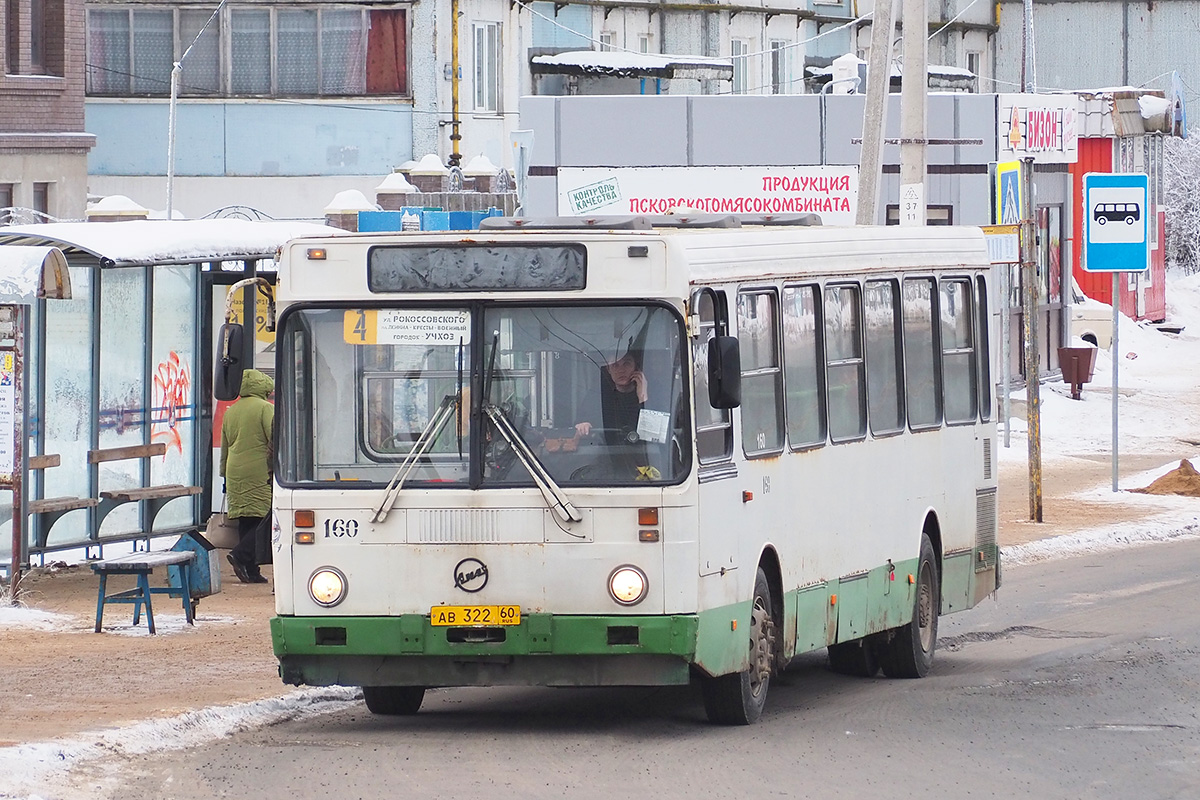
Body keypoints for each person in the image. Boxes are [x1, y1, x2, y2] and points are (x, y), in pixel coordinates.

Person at [220, 369, 274, 584]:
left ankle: (251, 570)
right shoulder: (265, 408)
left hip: (235, 470)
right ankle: (241, 555)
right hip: (258, 469)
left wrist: (223, 473)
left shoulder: (231, 411)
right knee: (265, 519)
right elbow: (274, 439)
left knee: (246, 519)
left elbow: (225, 446)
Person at [575, 352, 648, 444]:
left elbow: (655, 435)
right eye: (615, 365)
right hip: (605, 453)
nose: (621, 370)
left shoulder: (650, 396)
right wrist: (584, 426)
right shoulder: (597, 396)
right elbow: (580, 425)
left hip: (643, 454)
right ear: (608, 369)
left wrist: (643, 397)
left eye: (626, 364)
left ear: (636, 367)